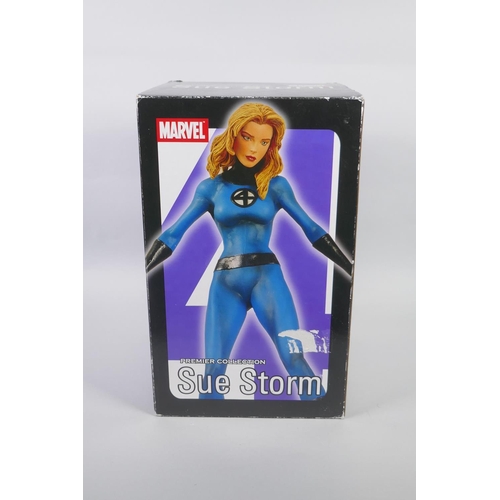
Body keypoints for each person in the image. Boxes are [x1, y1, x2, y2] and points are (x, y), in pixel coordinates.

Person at [146, 103, 352, 400]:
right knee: (212, 371)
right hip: (226, 283)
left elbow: (312, 229)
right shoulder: (211, 189)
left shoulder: (276, 187)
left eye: (264, 141)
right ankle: (200, 426)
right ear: (233, 136)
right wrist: (141, 271)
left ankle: (322, 410)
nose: (255, 148)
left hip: (266, 277)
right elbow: (173, 234)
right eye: (248, 137)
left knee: (293, 358)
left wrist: (350, 267)